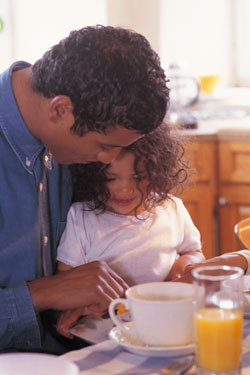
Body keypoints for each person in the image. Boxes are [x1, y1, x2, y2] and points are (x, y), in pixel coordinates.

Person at [0, 25, 169, 353]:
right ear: (60, 109)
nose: (108, 160)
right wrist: (43, 294)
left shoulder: (66, 135)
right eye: (104, 146)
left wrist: (76, 300)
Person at [55, 124, 205, 338]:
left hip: (164, 321)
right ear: (92, 177)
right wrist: (80, 306)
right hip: (104, 328)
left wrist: (184, 265)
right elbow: (66, 278)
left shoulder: (171, 208)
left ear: (156, 173)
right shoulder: (81, 217)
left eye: (137, 177)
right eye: (110, 178)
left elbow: (194, 251)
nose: (125, 189)